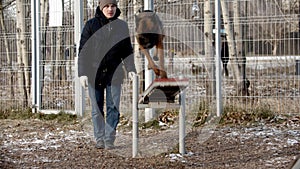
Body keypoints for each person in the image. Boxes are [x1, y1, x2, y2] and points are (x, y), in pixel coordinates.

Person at [78, 0, 136, 149]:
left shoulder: (121, 26)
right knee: (96, 109)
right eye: (107, 6)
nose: (110, 9)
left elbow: (127, 50)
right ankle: (99, 138)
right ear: (101, 7)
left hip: (114, 74)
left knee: (113, 107)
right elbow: (83, 51)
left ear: (116, 7)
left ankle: (109, 138)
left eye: (113, 6)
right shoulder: (91, 25)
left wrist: (131, 69)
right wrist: (82, 73)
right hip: (93, 73)